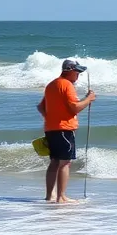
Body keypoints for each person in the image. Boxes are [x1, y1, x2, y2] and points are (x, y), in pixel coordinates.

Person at [36, 59, 96, 203]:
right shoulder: (67, 85)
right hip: (64, 129)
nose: (78, 76)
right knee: (65, 163)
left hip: (51, 128)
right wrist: (89, 99)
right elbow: (74, 108)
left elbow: (40, 107)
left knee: (54, 162)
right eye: (77, 72)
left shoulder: (52, 84)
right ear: (69, 71)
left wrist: (51, 117)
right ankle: (61, 196)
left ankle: (50, 195)